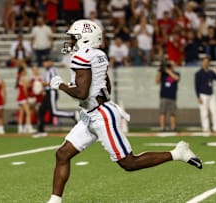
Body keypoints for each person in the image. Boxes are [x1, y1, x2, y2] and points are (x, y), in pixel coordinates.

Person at [46, 19, 202, 203]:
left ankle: (178, 153)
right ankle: (55, 200)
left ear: (85, 39)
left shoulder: (83, 57)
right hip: (93, 114)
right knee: (62, 154)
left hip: (100, 115)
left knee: (129, 163)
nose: (71, 41)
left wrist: (61, 86)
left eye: (74, 38)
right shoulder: (99, 54)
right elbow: (106, 84)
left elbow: (81, 93)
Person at [34, 58, 78, 137]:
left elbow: (55, 82)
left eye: (46, 62)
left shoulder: (52, 70)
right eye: (44, 62)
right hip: (47, 93)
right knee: (41, 111)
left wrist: (45, 84)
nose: (44, 64)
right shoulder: (47, 71)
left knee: (54, 112)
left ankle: (73, 114)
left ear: (50, 62)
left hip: (52, 92)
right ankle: (41, 131)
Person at [194, 56, 216, 132]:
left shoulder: (211, 72)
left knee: (215, 110)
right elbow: (196, 86)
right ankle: (206, 128)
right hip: (203, 95)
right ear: (202, 63)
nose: (206, 63)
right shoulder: (198, 73)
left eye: (207, 62)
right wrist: (198, 96)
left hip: (211, 94)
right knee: (204, 112)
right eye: (204, 62)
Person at [156, 61, 180, 131]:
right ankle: (162, 127)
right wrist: (160, 71)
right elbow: (157, 81)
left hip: (172, 96)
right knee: (162, 112)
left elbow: (176, 78)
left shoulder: (176, 73)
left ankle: (173, 127)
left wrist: (168, 71)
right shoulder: (163, 74)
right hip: (164, 96)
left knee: (172, 113)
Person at [16, 66, 35, 134]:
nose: (26, 71)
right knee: (28, 113)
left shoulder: (19, 78)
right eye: (25, 70)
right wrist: (27, 97)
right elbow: (25, 89)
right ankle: (29, 127)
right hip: (23, 97)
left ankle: (20, 128)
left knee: (21, 113)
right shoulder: (23, 78)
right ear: (22, 72)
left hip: (20, 97)